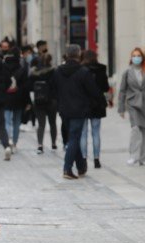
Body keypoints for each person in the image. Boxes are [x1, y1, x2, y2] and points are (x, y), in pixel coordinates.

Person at [52, 44, 104, 180]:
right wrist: (98, 103)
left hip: (64, 110)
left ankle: (81, 166)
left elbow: (53, 90)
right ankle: (67, 168)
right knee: (74, 138)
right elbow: (93, 91)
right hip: (79, 110)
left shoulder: (58, 71)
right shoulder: (83, 72)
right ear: (79, 54)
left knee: (73, 137)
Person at [118, 47, 145, 166]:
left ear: (142, 57)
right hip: (133, 104)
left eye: (138, 55)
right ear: (131, 58)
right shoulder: (127, 72)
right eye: (134, 56)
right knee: (136, 128)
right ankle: (133, 155)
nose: (136, 58)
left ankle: (143, 157)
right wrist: (121, 109)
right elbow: (122, 91)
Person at [80, 50, 110, 169]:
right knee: (96, 132)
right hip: (97, 104)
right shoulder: (101, 68)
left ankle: (84, 159)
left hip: (83, 104)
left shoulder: (81, 69)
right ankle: (97, 159)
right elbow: (106, 87)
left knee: (83, 134)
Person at [3, 48, 30, 153]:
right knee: (17, 121)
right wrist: (27, 101)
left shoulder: (3, 69)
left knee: (7, 120)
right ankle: (14, 142)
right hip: (19, 98)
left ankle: (7, 141)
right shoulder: (21, 69)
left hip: (6, 98)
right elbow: (26, 87)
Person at [29, 53, 57, 153]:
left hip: (39, 100)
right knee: (52, 123)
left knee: (41, 124)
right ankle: (53, 143)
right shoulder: (54, 71)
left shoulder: (34, 73)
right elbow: (57, 86)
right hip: (51, 100)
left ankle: (40, 145)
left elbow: (30, 86)